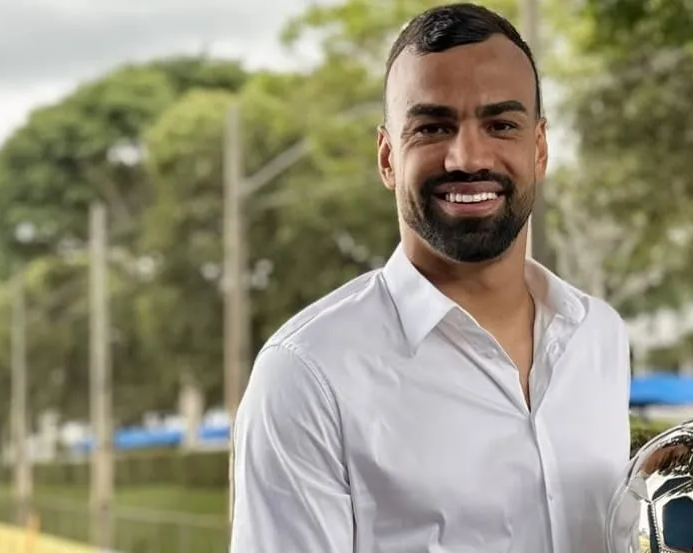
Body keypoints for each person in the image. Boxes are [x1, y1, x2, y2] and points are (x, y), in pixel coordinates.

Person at [229, 3, 632, 552]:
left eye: (501, 125)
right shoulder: (307, 374)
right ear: (388, 157)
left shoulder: (599, 336)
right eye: (433, 127)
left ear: (539, 149)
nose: (467, 158)